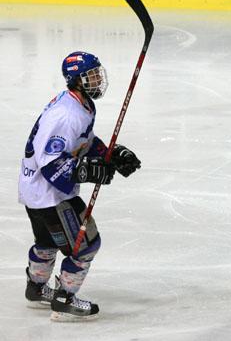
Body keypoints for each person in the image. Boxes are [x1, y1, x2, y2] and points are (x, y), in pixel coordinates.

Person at [19, 51, 141, 321]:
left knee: (46, 241)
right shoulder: (66, 115)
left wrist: (109, 154)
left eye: (98, 74)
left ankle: (36, 288)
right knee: (86, 245)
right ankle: (64, 298)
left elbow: (82, 140)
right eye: (91, 76)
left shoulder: (80, 104)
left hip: (35, 190)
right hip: (50, 194)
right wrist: (87, 171)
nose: (98, 80)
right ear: (75, 80)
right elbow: (50, 163)